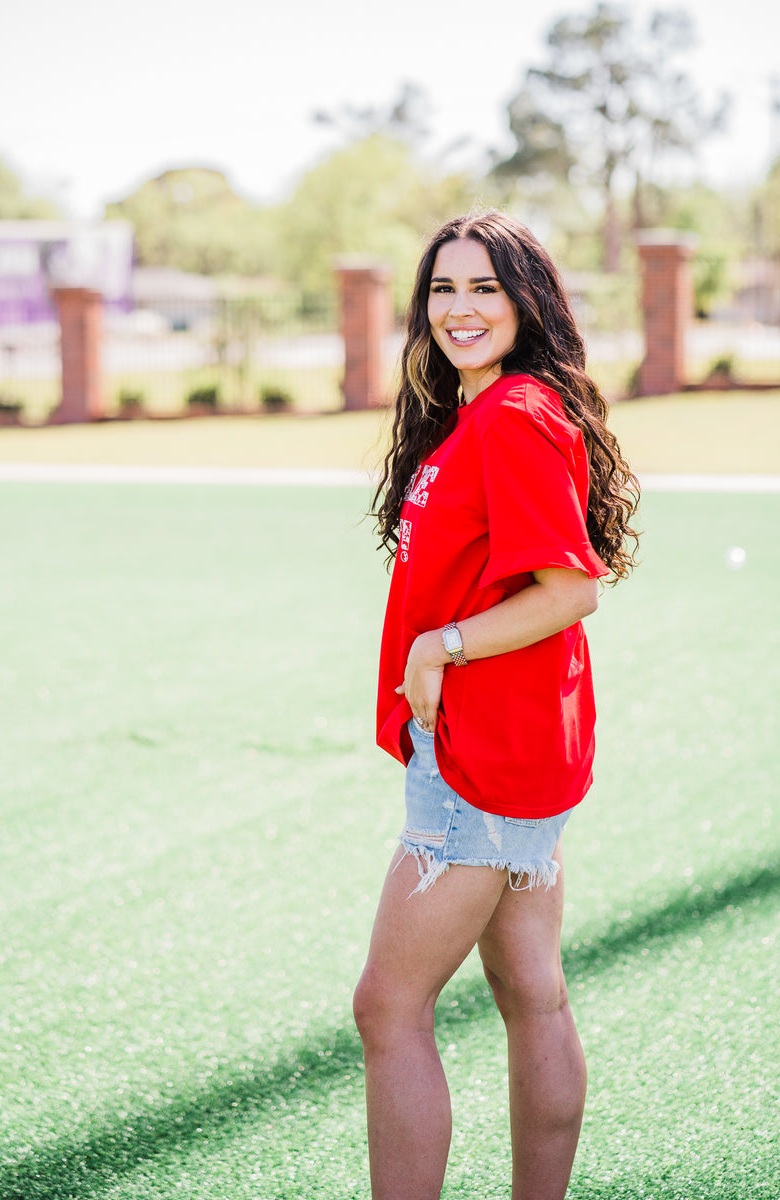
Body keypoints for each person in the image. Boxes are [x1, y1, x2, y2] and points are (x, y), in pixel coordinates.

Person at [353, 210, 639, 1200]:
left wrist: (443, 644)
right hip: (514, 758)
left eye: (484, 287)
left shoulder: (513, 415)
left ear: (526, 301)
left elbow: (568, 587)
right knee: (529, 992)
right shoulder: (487, 412)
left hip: (478, 762)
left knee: (388, 1007)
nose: (460, 308)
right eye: (443, 288)